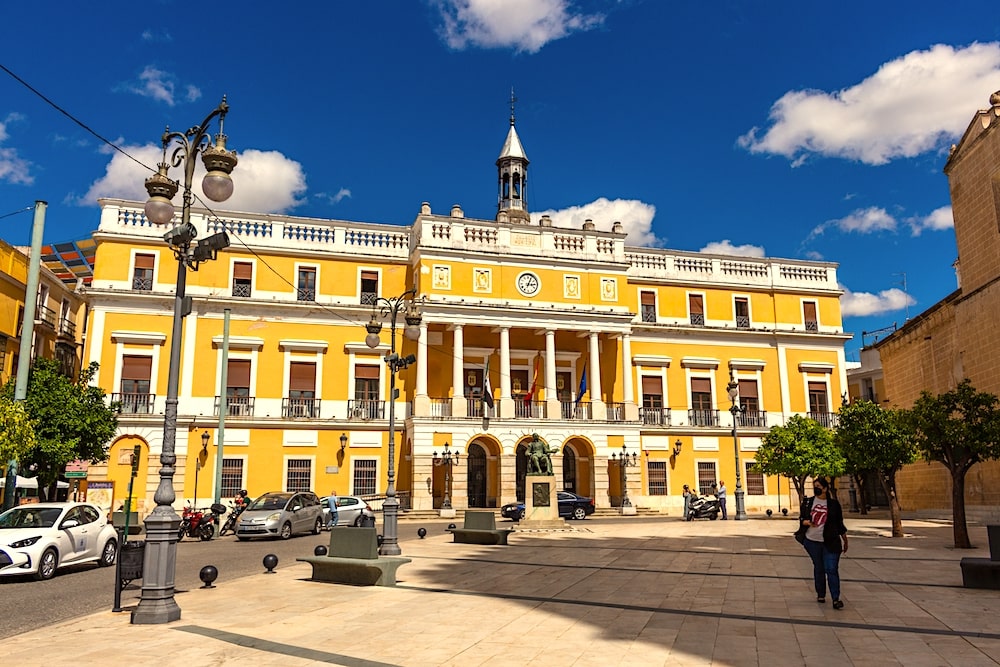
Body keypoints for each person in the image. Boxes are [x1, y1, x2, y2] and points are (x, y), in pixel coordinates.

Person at [799, 476, 848, 609]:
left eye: (819, 487)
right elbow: (801, 519)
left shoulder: (833, 504)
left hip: (831, 541)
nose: (816, 489)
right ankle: (821, 593)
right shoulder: (808, 502)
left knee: (831, 569)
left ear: (825, 489)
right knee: (819, 568)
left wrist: (845, 539)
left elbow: (839, 523)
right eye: (815, 487)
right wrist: (807, 522)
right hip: (812, 541)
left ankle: (835, 598)